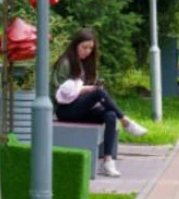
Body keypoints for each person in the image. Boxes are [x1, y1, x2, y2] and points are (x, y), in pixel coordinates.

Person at [51, 28, 147, 177]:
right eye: (84, 47)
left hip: (81, 107)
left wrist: (91, 94)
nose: (87, 51)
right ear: (75, 45)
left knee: (110, 114)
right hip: (65, 110)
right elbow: (58, 92)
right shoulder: (65, 62)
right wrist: (84, 90)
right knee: (98, 92)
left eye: (90, 48)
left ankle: (107, 161)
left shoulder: (87, 63)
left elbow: (90, 90)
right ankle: (126, 122)